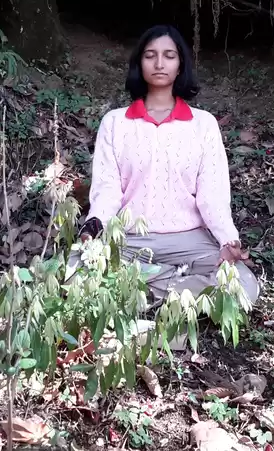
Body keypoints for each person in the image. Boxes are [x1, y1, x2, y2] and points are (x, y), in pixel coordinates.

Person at [78, 24, 259, 307]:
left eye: (169, 55)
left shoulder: (203, 124)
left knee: (243, 287)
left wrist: (228, 240)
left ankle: (143, 289)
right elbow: (107, 189)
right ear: (139, 63)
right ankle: (175, 293)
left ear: (180, 65)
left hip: (188, 243)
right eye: (150, 55)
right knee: (75, 269)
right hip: (129, 241)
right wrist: (92, 227)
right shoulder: (115, 122)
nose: (159, 63)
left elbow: (213, 195)